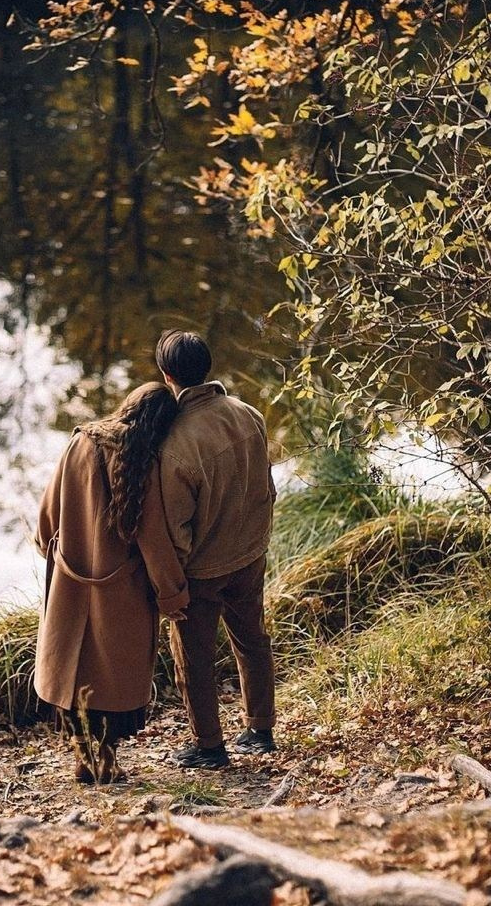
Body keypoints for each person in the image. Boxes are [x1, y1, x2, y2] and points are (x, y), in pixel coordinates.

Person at [34, 382, 189, 784]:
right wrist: (172, 594)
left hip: (71, 578)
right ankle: (104, 760)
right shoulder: (145, 460)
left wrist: (49, 545)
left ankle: (87, 758)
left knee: (74, 673)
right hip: (123, 590)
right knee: (111, 681)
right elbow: (154, 539)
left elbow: (48, 512)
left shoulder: (78, 443)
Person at [154, 329, 277, 769]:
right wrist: (257, 537)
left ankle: (209, 746)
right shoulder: (248, 413)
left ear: (167, 375)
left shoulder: (175, 444)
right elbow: (267, 485)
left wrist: (172, 580)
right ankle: (260, 729)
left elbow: (175, 529)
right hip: (249, 553)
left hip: (204, 569)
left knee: (194, 656)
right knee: (252, 640)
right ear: (206, 366)